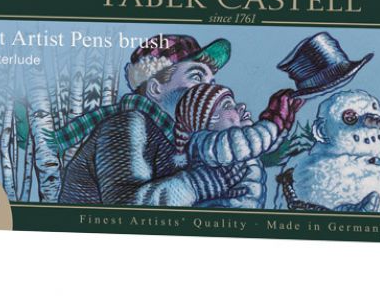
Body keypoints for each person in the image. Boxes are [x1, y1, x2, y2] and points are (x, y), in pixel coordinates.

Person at [58, 34, 254, 206]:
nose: (209, 90)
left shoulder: (180, 137)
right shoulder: (128, 125)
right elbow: (128, 206)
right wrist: (202, 183)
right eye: (196, 77)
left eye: (211, 83)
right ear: (155, 89)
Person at [173, 83, 303, 209]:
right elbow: (249, 141)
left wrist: (281, 124)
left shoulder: (238, 150)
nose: (241, 106)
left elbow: (260, 147)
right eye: (227, 105)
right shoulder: (204, 144)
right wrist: (273, 122)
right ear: (206, 122)